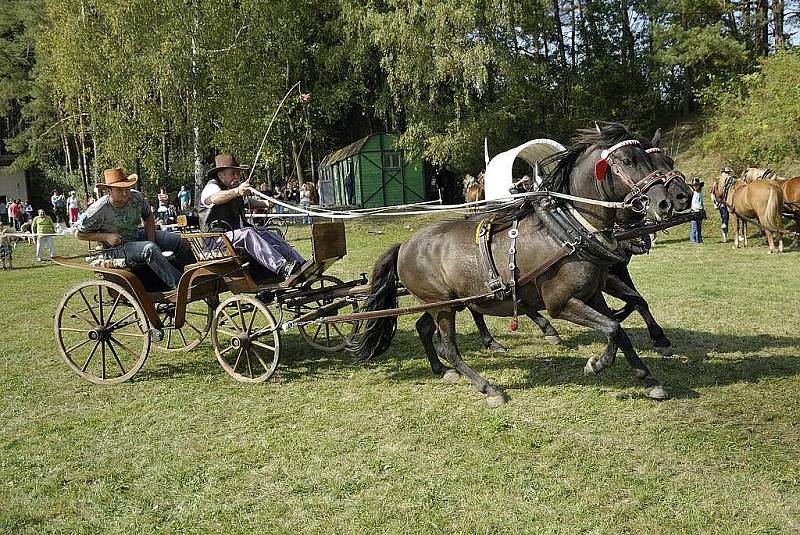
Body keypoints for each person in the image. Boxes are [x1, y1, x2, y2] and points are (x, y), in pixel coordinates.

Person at [76, 168, 195, 290]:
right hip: (114, 248)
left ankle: (195, 278)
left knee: (178, 240)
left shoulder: (136, 197)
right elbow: (79, 234)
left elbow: (148, 216)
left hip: (136, 236)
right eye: (119, 189)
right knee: (149, 249)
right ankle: (181, 287)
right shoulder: (98, 209)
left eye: (127, 188)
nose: (124, 193)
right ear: (109, 190)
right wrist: (106, 237)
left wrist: (152, 240)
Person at [199, 154, 305, 278]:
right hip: (216, 241)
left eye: (238, 173)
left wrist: (264, 203)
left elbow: (245, 202)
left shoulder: (230, 189)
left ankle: (302, 264)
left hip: (231, 237)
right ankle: (281, 267)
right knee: (247, 233)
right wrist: (237, 191)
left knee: (268, 234)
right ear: (221, 174)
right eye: (233, 173)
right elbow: (215, 198)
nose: (237, 177)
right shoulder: (211, 187)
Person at [688, 177, 704, 244]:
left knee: (699, 227)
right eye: (694, 186)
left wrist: (703, 209)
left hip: (699, 210)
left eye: (697, 185)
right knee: (694, 227)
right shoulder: (692, 193)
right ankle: (692, 240)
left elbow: (701, 202)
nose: (696, 187)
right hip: (694, 211)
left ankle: (699, 240)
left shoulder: (700, 193)